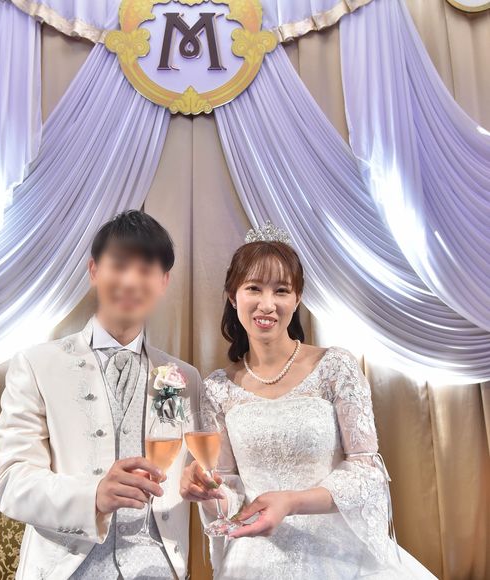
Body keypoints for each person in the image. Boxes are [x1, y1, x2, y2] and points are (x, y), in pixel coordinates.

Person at [180, 223, 437, 579]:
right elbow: (229, 490)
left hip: (341, 557)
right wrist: (205, 490)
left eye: (281, 290)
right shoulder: (217, 389)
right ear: (233, 296)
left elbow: (367, 474)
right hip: (256, 558)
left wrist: (291, 502)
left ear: (297, 298)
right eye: (254, 288)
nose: (267, 304)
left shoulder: (335, 367)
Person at [0, 210, 216, 580]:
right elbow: (10, 482)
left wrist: (195, 480)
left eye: (145, 270)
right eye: (119, 265)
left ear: (163, 281)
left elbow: (190, 472)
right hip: (66, 569)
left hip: (159, 569)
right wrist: (92, 494)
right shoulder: (36, 365)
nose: (130, 281)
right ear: (94, 270)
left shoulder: (182, 377)